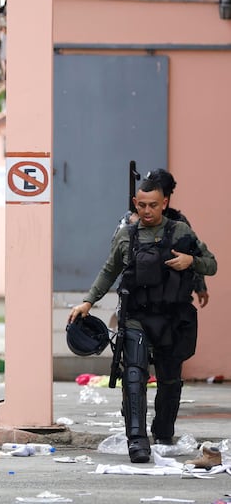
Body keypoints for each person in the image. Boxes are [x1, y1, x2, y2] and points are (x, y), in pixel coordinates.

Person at [68, 177, 216, 464]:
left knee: (170, 381)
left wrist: (192, 262)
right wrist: (88, 301)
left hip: (172, 318)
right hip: (137, 316)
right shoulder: (127, 235)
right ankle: (137, 441)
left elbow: (212, 264)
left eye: (153, 205)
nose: (147, 211)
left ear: (165, 203)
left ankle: (163, 433)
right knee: (134, 376)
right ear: (135, 203)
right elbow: (109, 270)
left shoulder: (181, 231)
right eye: (142, 205)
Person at [113, 168, 209, 308]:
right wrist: (135, 226)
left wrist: (200, 287)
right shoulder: (130, 219)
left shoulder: (178, 222)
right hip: (138, 298)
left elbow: (194, 254)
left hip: (172, 299)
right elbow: (116, 251)